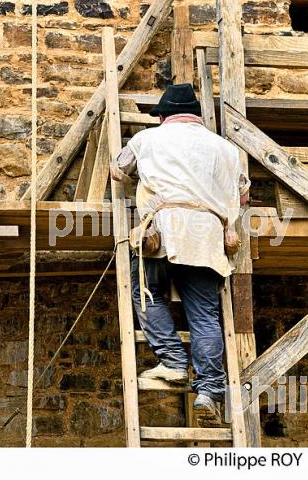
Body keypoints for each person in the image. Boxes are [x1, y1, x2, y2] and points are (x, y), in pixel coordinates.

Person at [111, 83, 250, 425]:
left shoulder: (148, 139)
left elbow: (118, 170)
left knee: (147, 294)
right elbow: (243, 194)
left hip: (162, 230)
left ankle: (173, 361)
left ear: (162, 115)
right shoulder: (227, 150)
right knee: (204, 316)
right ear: (196, 116)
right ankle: (209, 392)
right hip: (208, 237)